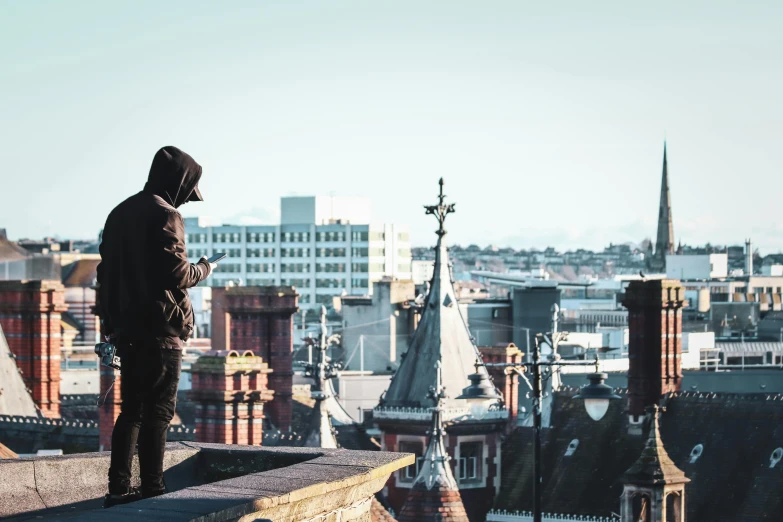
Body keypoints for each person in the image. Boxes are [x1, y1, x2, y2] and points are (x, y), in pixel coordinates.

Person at [96, 146, 216, 507]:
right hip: (162, 331)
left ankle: (118, 489)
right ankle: (153, 488)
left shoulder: (119, 213)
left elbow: (105, 275)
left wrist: (110, 323)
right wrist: (205, 267)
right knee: (159, 413)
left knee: (131, 410)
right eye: (187, 192)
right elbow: (177, 273)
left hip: (127, 331)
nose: (187, 201)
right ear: (178, 183)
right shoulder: (167, 215)